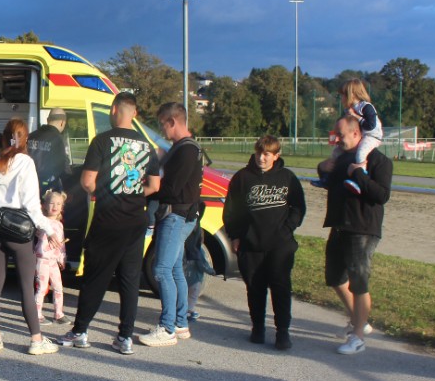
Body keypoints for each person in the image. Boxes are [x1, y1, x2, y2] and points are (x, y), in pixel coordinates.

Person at [62, 92, 161, 353]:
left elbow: (86, 181)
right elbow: (154, 185)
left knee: (96, 276)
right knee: (129, 280)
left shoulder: (102, 141)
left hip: (108, 219)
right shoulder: (147, 145)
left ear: (114, 110)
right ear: (135, 113)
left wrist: (106, 193)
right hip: (136, 220)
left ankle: (80, 331)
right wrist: (132, 193)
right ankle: (125, 337)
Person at [0, 118, 59, 356]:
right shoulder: (26, 162)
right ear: (25, 140)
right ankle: (36, 340)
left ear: (4, 137)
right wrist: (49, 229)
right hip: (20, 233)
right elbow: (32, 205)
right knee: (25, 287)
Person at [222, 135, 306, 351]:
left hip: (280, 244)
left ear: (276, 155)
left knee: (281, 287)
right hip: (251, 244)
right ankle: (258, 327)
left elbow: (298, 207)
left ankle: (282, 332)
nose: (261, 158)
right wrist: (235, 235)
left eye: (267, 154)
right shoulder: (242, 178)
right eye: (259, 153)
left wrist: (287, 229)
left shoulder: (287, 177)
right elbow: (231, 210)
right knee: (255, 287)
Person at [322, 115, 393, 355]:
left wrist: (360, 174)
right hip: (339, 226)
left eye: (340, 135)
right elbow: (330, 182)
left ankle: (359, 337)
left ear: (356, 133)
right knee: (334, 278)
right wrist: (323, 168)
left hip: (362, 229)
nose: (337, 139)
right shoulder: (343, 158)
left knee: (359, 282)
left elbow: (381, 195)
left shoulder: (379, 161)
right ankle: (358, 320)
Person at [142, 102, 203, 348]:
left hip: (175, 215)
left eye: (162, 124)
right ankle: (179, 322)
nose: (162, 130)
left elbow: (171, 188)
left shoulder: (185, 151)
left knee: (162, 269)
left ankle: (167, 327)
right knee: (175, 268)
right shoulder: (188, 148)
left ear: (172, 122)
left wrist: (149, 188)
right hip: (183, 215)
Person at [315, 78, 384, 194]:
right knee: (336, 153)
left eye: (343, 95)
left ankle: (358, 181)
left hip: (372, 136)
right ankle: (327, 179)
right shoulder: (349, 109)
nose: (341, 98)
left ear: (351, 94)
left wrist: (355, 116)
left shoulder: (366, 106)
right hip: (360, 136)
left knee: (361, 153)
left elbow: (370, 126)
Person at [35, 190, 68, 324]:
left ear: (62, 207)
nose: (55, 206)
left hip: (54, 261)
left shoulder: (60, 224)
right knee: (42, 288)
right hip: (42, 259)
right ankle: (36, 314)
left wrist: (62, 258)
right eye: (51, 203)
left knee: (58, 287)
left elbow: (61, 244)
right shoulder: (41, 222)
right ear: (44, 205)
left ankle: (58, 314)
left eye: (59, 204)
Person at [27, 108, 70, 193]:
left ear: (47, 120)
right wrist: (69, 188)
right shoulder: (59, 139)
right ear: (62, 122)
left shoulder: (31, 136)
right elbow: (64, 167)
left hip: (28, 185)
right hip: (48, 188)